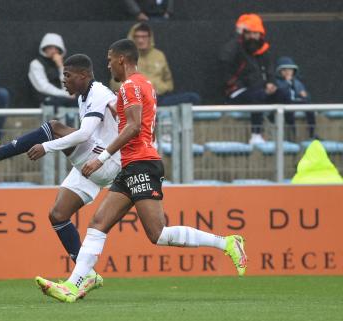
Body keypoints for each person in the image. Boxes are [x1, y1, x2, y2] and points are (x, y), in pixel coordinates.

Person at [35, 39, 248, 303]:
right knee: (98, 224)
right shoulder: (146, 85)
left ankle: (226, 243)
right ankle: (73, 285)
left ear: (121, 60)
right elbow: (148, 128)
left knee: (157, 233)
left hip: (140, 164)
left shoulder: (129, 87)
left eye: (110, 59)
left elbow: (134, 126)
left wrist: (102, 158)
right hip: (134, 164)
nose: (108, 64)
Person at [0, 54, 121, 296]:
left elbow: (83, 135)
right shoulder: (85, 95)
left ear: (83, 76)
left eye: (68, 76)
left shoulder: (99, 93)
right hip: (96, 161)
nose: (63, 81)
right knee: (58, 215)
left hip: (107, 160)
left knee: (54, 128)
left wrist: (46, 147)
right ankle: (86, 274)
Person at [219, 14, 289, 145]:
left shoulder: (263, 50)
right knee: (258, 95)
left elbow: (270, 71)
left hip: (259, 90)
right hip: (236, 92)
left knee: (284, 94)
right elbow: (225, 63)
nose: (252, 37)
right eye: (249, 33)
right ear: (243, 34)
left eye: (255, 33)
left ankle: (278, 129)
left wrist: (271, 83)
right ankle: (256, 135)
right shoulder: (234, 48)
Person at [110, 22, 200, 106]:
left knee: (193, 97)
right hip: (134, 100)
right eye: (137, 37)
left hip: (158, 98)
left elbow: (169, 83)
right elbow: (114, 84)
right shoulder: (123, 57)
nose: (141, 40)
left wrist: (157, 86)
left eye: (144, 37)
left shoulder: (159, 55)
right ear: (132, 38)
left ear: (150, 38)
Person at [28, 33, 78, 109]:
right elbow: (43, 87)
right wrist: (65, 94)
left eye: (56, 48)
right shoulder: (36, 64)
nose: (53, 51)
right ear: (44, 48)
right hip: (45, 99)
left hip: (63, 99)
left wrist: (61, 67)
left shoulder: (63, 65)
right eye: (50, 48)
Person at [275, 56, 315, 140]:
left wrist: (305, 95)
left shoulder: (297, 82)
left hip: (296, 101)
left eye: (290, 70)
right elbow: (281, 91)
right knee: (289, 112)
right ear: (279, 71)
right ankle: (292, 135)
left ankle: (312, 133)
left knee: (310, 108)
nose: (287, 72)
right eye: (284, 70)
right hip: (285, 103)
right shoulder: (276, 82)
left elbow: (305, 94)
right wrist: (287, 82)